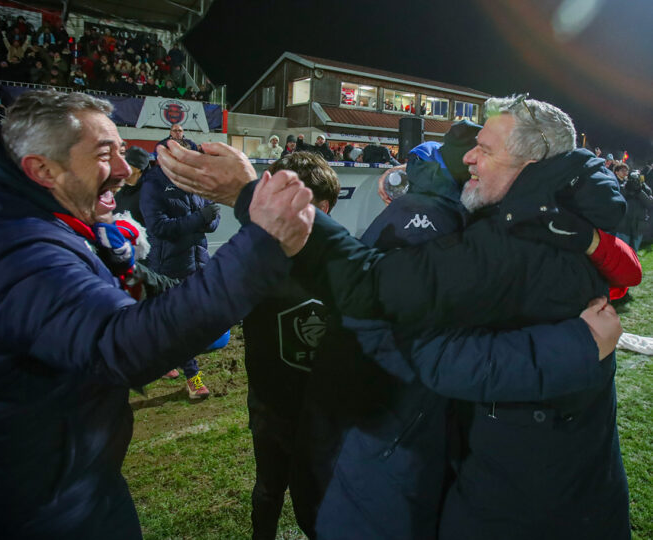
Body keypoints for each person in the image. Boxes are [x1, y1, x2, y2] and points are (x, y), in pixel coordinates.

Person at [155, 94, 635, 540]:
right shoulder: (554, 220)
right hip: (532, 483)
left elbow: (386, 300)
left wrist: (253, 195)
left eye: (484, 149)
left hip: (531, 502)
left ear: (531, 165)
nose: (469, 157)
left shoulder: (516, 241)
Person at [0, 89, 315, 538]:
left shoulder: (42, 226)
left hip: (61, 486)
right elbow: (119, 345)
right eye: (104, 154)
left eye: (121, 151)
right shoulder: (8, 247)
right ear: (42, 169)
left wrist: (131, 273)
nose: (123, 169)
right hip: (14, 513)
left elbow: (145, 302)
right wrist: (259, 247)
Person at [243, 152, 340, 540]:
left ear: (325, 207)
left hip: (322, 414)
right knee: (268, 491)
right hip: (270, 409)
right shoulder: (255, 261)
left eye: (300, 204)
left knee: (315, 502)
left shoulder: (344, 261)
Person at [139, 135, 221, 399]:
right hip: (168, 266)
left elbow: (212, 216)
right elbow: (160, 228)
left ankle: (161, 359)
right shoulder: (153, 184)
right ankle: (193, 378)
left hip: (197, 260)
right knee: (183, 323)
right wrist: (200, 218)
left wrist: (208, 220)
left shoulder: (196, 182)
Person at [614, 163, 653, 251]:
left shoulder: (645, 189)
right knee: (621, 250)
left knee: (633, 252)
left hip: (638, 226)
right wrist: (628, 187)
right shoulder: (624, 186)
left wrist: (639, 191)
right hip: (624, 225)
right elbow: (618, 199)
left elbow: (650, 204)